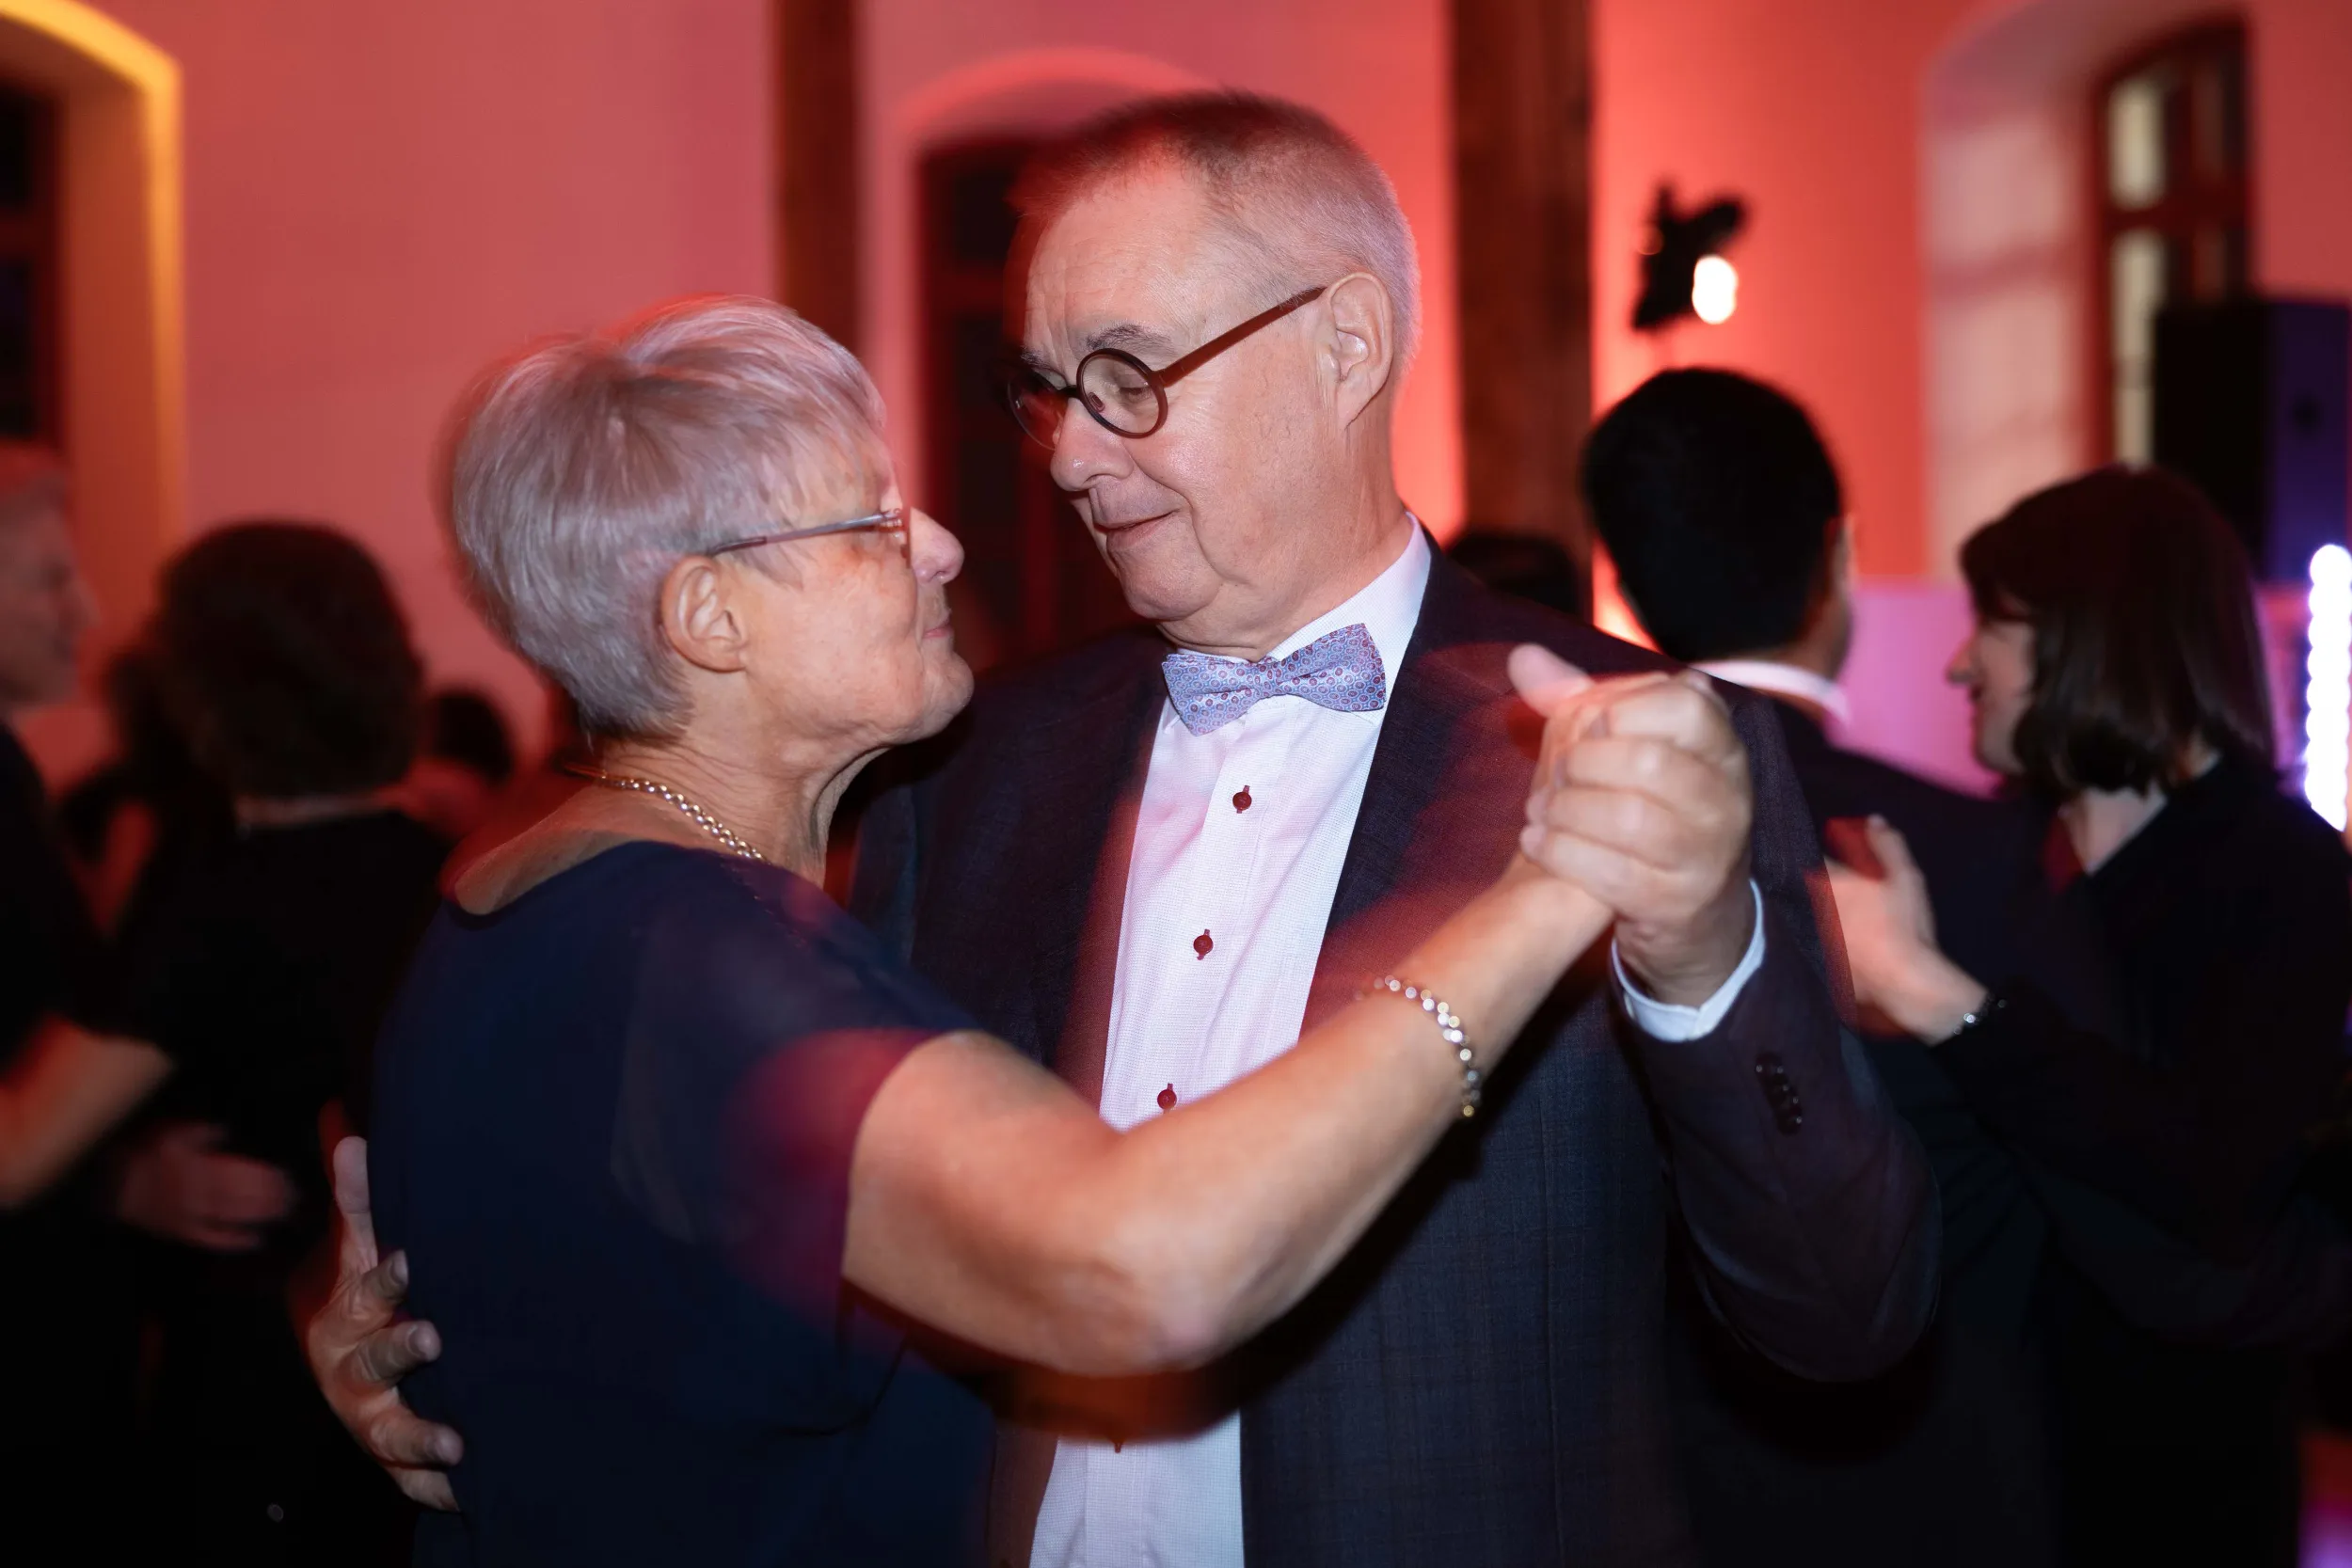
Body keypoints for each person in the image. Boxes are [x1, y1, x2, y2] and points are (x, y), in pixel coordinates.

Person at [313, 99, 1939, 1566]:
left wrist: (1704, 959)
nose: (1072, 456)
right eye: (1048, 392)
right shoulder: (969, 762)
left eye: (1127, 376)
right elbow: (767, 1189)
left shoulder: (1631, 749)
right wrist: (427, 1332)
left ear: (1348, 343)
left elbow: (1846, 1312)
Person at [1831, 466, 2352, 1567]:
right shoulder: (1989, 851)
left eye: (1996, 624)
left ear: (2098, 638)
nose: (1959, 661)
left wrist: (1948, 1004)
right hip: (1972, 1467)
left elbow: (2213, 1173)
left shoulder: (2278, 871)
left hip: (2175, 1485)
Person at [93, 522, 450, 1563]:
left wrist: (119, 1180)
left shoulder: (219, 892)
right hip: (416, 1361)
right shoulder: (454, 873)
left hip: (252, 1377)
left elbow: (27, 1144)